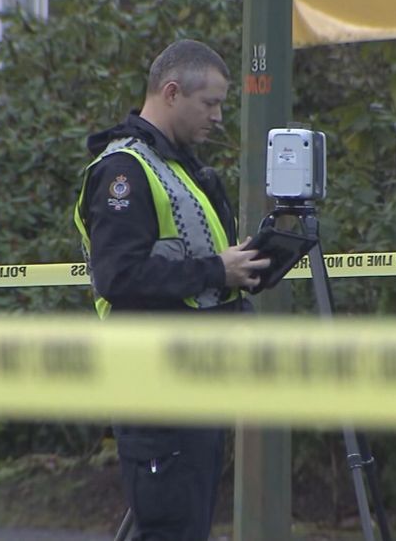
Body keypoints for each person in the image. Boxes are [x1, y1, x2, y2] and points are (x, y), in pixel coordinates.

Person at [73, 39, 269, 541]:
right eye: (210, 103)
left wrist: (237, 267)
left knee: (181, 525)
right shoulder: (124, 171)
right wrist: (214, 271)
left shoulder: (177, 168)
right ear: (172, 92)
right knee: (168, 526)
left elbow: (187, 264)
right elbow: (117, 278)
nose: (219, 117)